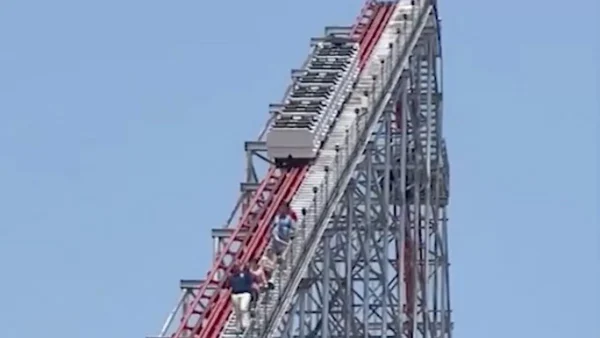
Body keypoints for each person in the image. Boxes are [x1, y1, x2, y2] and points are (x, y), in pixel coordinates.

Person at [227, 262, 254, 332]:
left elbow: (250, 280)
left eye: (237, 266)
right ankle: (238, 326)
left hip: (245, 293)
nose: (235, 268)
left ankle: (245, 324)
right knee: (237, 311)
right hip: (235, 294)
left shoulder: (244, 275)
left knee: (243, 308)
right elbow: (228, 285)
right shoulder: (231, 277)